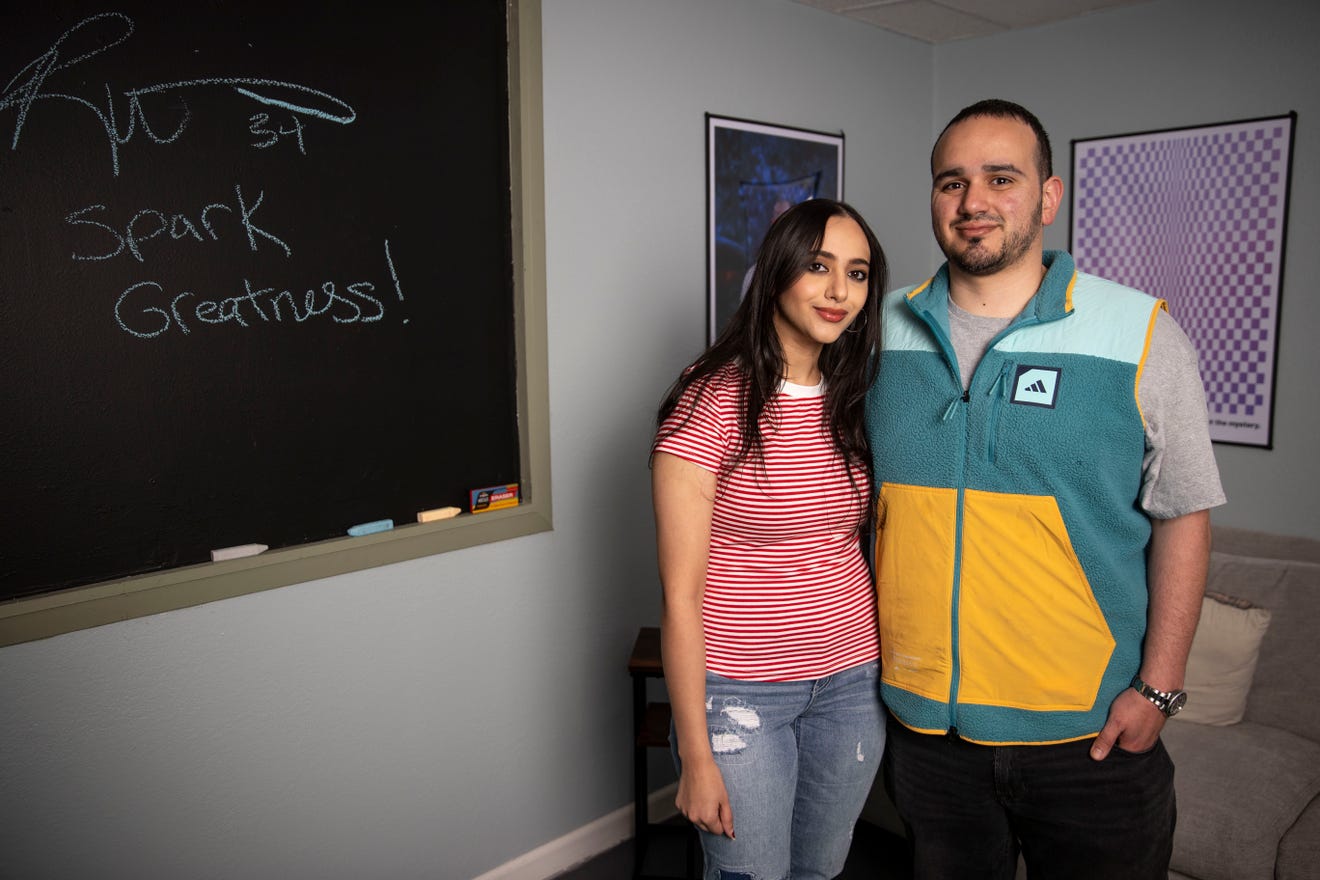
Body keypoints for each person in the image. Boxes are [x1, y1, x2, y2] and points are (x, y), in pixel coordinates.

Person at [865, 98, 1227, 879]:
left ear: (1049, 196)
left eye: (1002, 178)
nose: (974, 203)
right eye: (951, 182)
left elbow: (1184, 516)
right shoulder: (874, 333)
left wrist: (1159, 689)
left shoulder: (1139, 333)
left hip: (1089, 738)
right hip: (929, 740)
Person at [651, 198, 887, 879]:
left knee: (819, 871)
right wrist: (695, 758)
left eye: (859, 272)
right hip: (739, 694)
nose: (840, 290)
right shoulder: (711, 401)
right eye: (818, 267)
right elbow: (680, 598)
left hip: (851, 684)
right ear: (778, 272)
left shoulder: (858, 397)